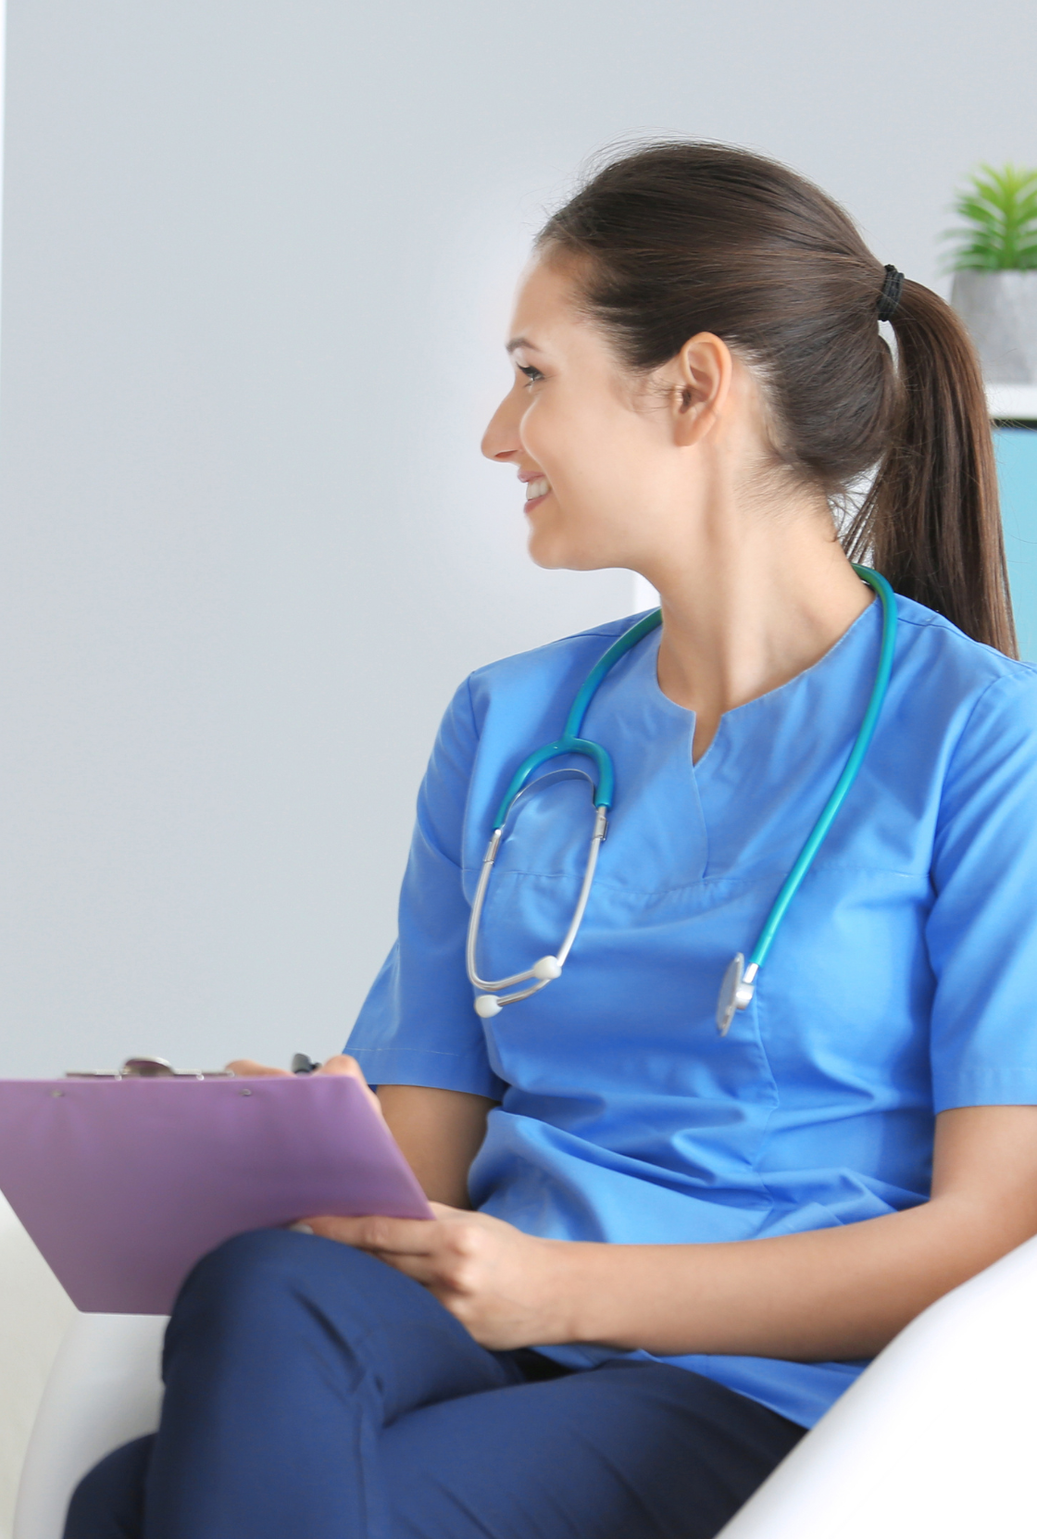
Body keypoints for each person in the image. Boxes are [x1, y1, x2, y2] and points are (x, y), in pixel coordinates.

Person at [69, 143, 1037, 1539]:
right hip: (497, 1322)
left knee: (128, 1506)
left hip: (769, 1392)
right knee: (263, 1285)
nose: (496, 434)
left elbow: (996, 1229)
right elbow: (422, 1165)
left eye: (533, 374)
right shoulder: (509, 724)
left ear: (694, 388)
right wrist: (297, 1143)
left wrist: (565, 1289)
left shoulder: (980, 740)